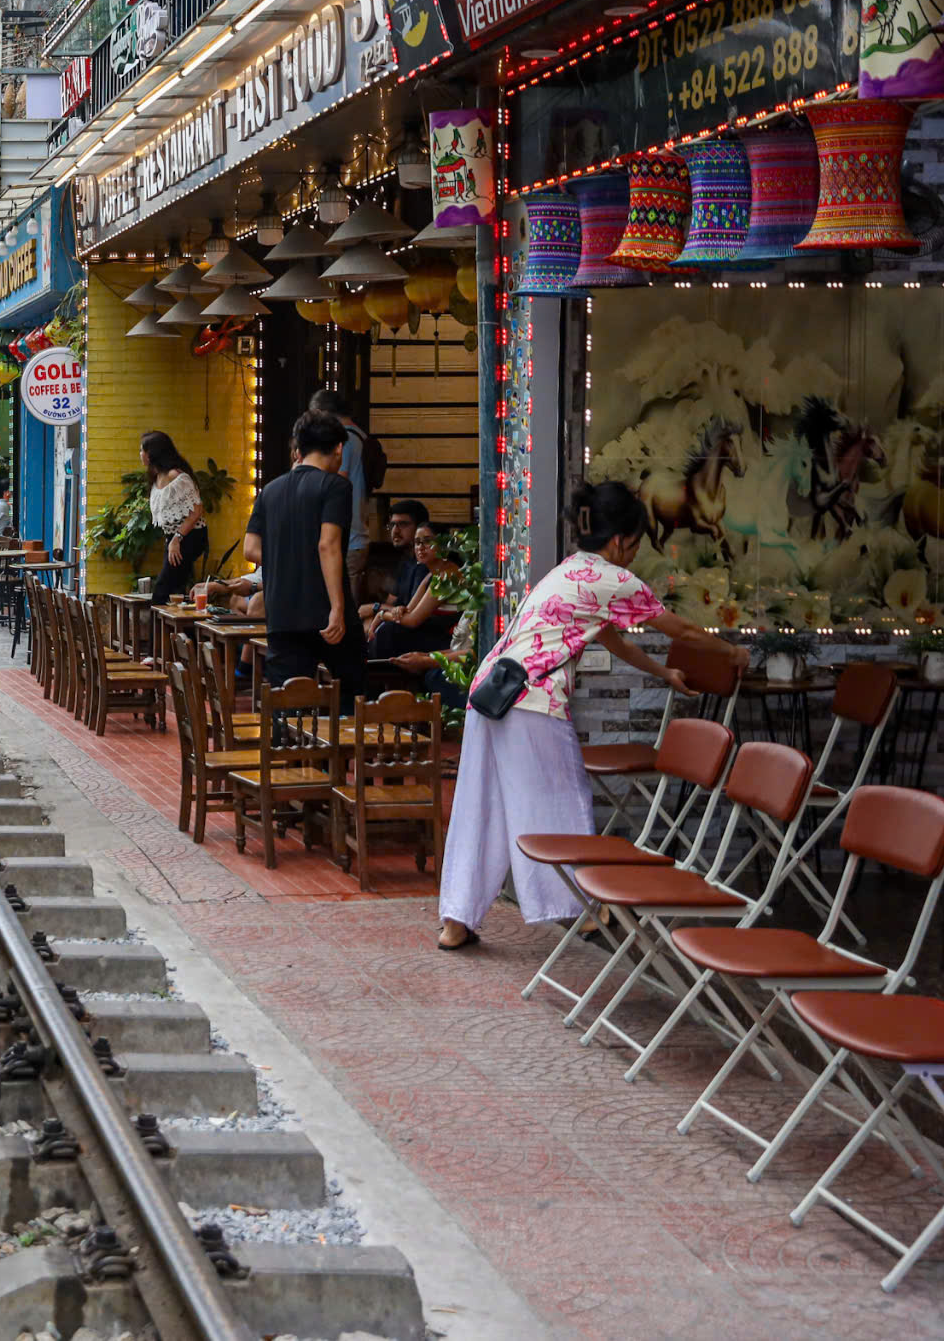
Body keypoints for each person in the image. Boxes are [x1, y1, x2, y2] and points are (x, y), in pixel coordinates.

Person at [438, 481, 743, 950]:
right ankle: (583, 910)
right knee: (563, 798)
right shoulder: (613, 579)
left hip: (492, 692)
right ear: (621, 540)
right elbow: (677, 626)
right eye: (637, 544)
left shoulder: (570, 571)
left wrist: (664, 673)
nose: (635, 555)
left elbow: (611, 639)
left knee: (483, 808)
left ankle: (457, 921)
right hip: (532, 700)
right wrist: (731, 651)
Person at [242, 410, 361, 699]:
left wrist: (290, 553)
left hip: (281, 612)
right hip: (323, 610)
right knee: (352, 695)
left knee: (287, 702)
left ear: (299, 449)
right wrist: (337, 608)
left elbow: (251, 548)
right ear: (338, 449)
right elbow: (328, 545)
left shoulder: (269, 491)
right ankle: (339, 743)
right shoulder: (336, 487)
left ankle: (286, 743)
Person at [310, 388, 375, 607]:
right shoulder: (360, 435)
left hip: (348, 536)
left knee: (342, 608)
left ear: (323, 413)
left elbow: (337, 479)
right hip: (359, 532)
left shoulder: (344, 440)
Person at [365, 521, 458, 662]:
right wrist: (397, 611)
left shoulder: (447, 575)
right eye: (417, 542)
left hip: (449, 643)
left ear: (443, 545)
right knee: (388, 630)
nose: (420, 547)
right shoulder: (430, 575)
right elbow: (408, 612)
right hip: (432, 634)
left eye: (427, 541)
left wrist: (382, 615)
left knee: (389, 632)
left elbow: (413, 620)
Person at [140, 431, 205, 604]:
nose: (140, 455)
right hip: (173, 539)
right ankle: (184, 631)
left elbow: (197, 510)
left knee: (162, 590)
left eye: (142, 450)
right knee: (174, 592)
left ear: (153, 453)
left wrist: (177, 538)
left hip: (190, 536)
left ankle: (158, 631)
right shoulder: (157, 477)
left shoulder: (176, 476)